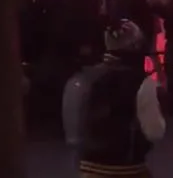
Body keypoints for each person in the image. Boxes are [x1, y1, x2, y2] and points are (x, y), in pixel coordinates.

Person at [63, 19, 165, 178]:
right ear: (136, 46)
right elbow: (155, 131)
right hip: (126, 169)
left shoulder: (83, 78)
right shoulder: (142, 82)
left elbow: (73, 129)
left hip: (87, 168)